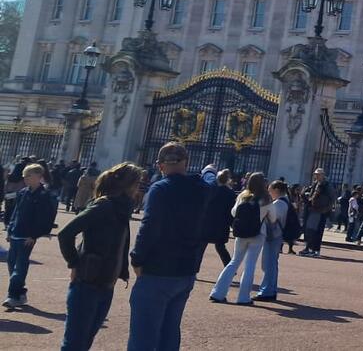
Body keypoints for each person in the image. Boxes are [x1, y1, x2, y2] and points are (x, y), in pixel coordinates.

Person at [127, 142, 209, 351]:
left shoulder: (160, 188)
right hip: (186, 271)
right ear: (186, 163)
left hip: (158, 270)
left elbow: (150, 226)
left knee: (143, 338)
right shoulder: (202, 189)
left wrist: (137, 258)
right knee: (170, 334)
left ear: (160, 165)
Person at [58, 161, 143, 349]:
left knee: (85, 340)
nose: (139, 188)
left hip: (105, 282)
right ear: (127, 185)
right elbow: (65, 234)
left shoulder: (121, 208)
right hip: (87, 281)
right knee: (75, 342)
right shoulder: (104, 205)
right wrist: (74, 262)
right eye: (137, 183)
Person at [209, 172, 271, 305]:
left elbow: (233, 212)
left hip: (241, 232)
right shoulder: (265, 198)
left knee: (234, 262)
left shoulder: (243, 195)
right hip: (258, 233)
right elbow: (272, 217)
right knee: (250, 265)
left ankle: (217, 293)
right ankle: (243, 297)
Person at [3, 163, 56, 310]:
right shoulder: (23, 192)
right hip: (16, 233)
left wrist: (34, 236)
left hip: (28, 237)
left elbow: (45, 218)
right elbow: (16, 213)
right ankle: (20, 292)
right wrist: (10, 230)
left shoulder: (44, 195)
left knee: (20, 267)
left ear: (38, 177)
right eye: (24, 176)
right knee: (11, 264)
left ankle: (13, 296)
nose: (25, 178)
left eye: (28, 176)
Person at [255, 180, 289, 301]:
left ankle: (267, 291)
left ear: (276, 190)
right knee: (272, 263)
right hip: (277, 235)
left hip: (273, 235)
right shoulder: (285, 201)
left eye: (270, 190)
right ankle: (271, 289)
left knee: (268, 264)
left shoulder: (279, 203)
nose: (269, 192)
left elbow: (270, 217)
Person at [198, 169, 236, 270]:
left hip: (207, 222)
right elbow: (231, 211)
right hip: (222, 224)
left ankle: (195, 269)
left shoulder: (211, 190)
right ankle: (229, 269)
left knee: (200, 248)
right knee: (220, 247)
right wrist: (231, 224)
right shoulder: (231, 193)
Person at [300, 168, 335, 257]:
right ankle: (309, 248)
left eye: (318, 174)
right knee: (310, 230)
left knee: (316, 231)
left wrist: (327, 209)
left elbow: (332, 198)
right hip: (313, 209)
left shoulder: (327, 185)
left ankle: (314, 250)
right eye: (316, 174)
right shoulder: (315, 183)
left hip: (321, 210)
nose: (316, 176)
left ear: (323, 175)